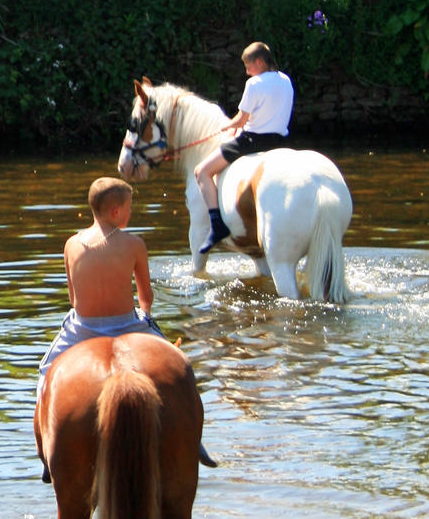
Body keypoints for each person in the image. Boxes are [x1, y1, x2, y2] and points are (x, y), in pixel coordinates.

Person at [38, 177, 166, 394]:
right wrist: (145, 314)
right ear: (116, 212)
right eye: (129, 207)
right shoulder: (134, 244)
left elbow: (74, 301)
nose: (131, 212)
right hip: (128, 325)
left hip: (83, 328)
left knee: (45, 372)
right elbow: (146, 297)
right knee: (177, 361)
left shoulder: (71, 244)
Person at [194, 41, 295, 252]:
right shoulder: (286, 80)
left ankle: (216, 225)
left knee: (202, 171)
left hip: (252, 141)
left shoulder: (255, 84)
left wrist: (225, 126)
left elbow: (241, 120)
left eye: (248, 67)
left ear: (259, 62)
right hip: (279, 141)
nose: (247, 73)